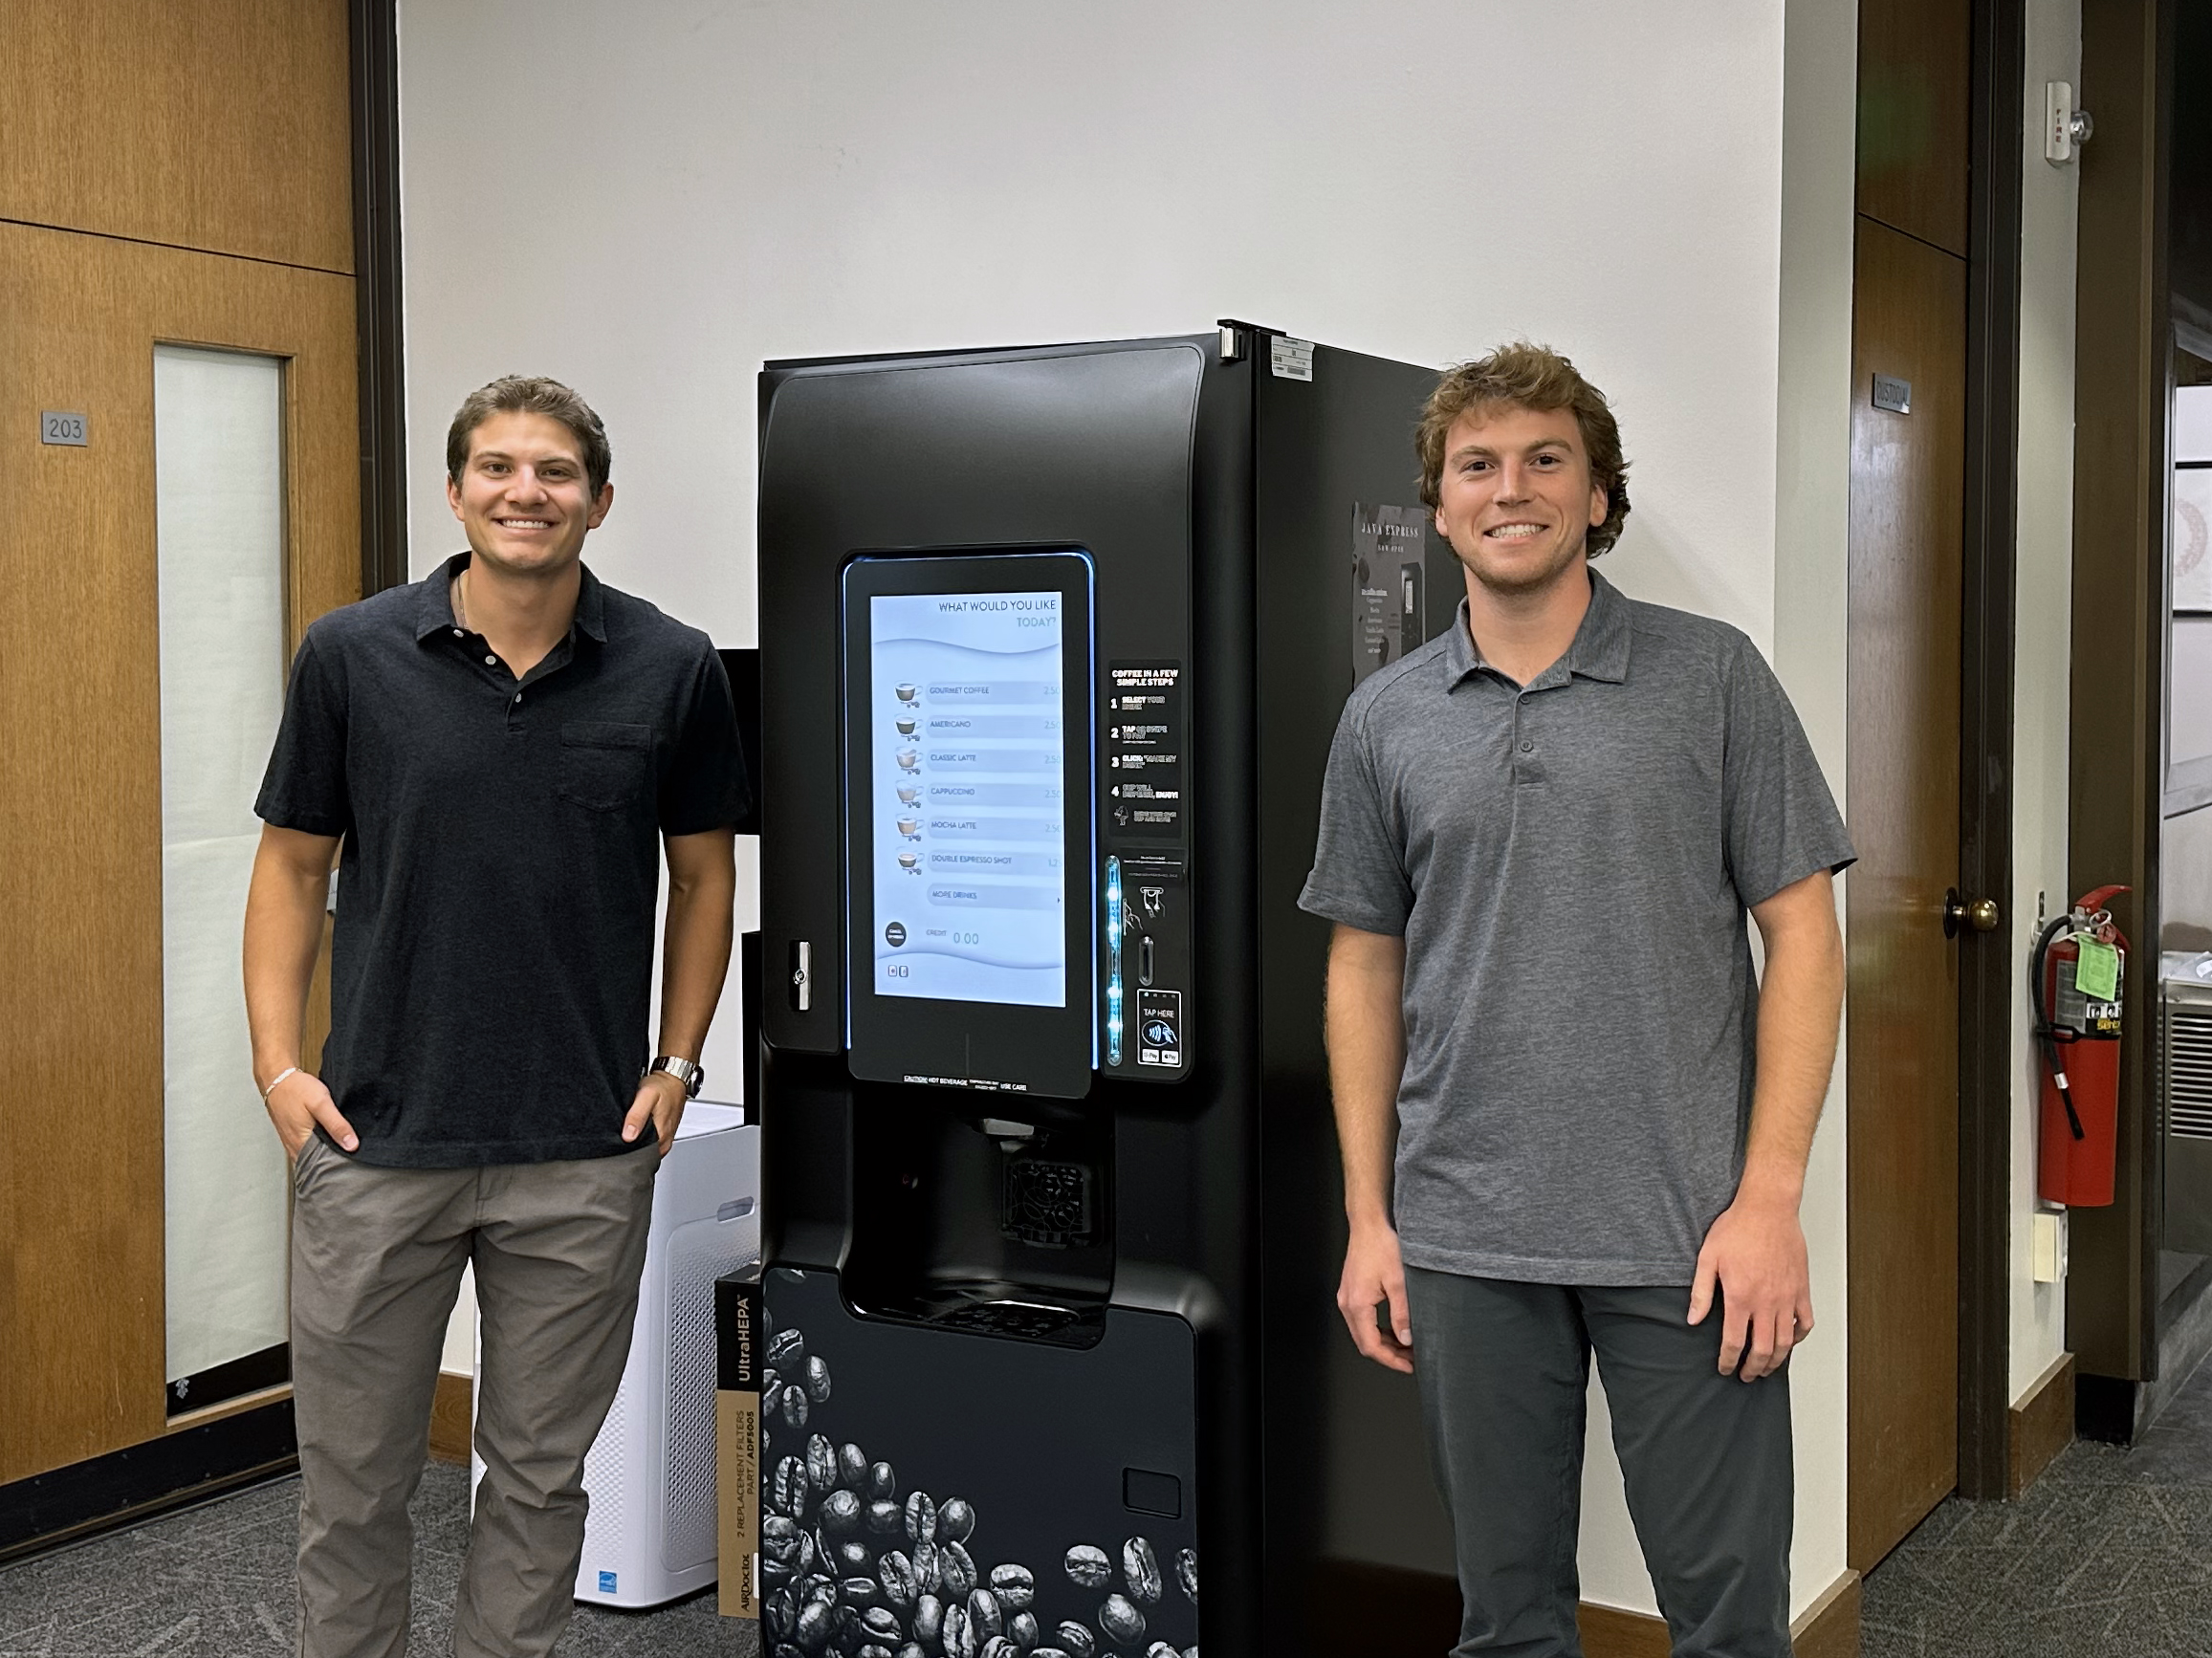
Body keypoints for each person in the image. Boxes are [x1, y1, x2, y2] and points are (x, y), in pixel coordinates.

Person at [1301, 343, 1851, 1658]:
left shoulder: (1710, 680)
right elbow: (1361, 967)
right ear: (1436, 507)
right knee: (1506, 1621)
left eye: (1546, 459)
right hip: (1464, 1235)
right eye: (1475, 465)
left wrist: (1769, 1201)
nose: (1511, 488)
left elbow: (1804, 940)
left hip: (1687, 1236)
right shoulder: (1383, 720)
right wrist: (1370, 1217)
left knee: (1726, 1622)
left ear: (1598, 495)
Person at [243, 375, 747, 1658]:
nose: (529, 491)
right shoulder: (351, 656)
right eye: (500, 467)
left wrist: (678, 1061)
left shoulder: (672, 667)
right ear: (456, 489)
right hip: (374, 1143)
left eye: (558, 472)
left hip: (580, 1152)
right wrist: (278, 1067)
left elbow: (702, 876)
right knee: (352, 1488)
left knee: (536, 1481)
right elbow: (293, 864)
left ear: (600, 498)